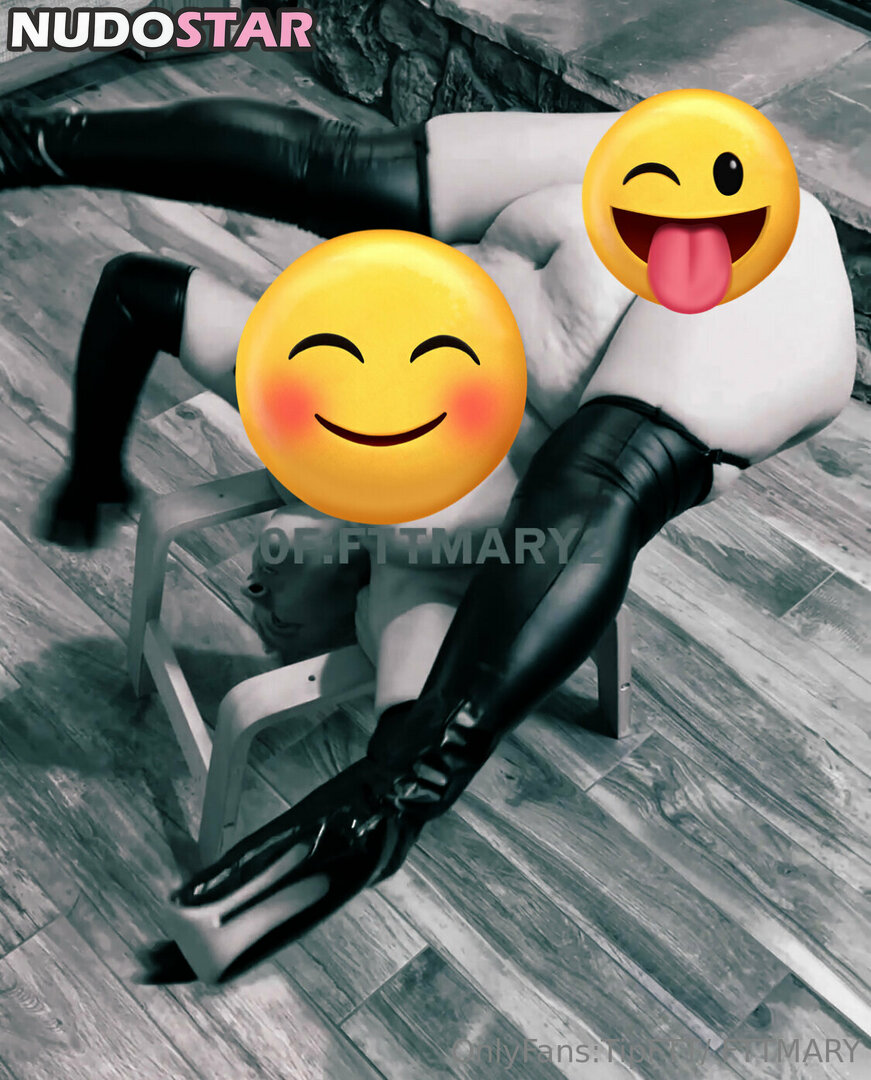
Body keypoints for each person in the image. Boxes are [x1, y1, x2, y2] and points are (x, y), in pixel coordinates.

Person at [0, 96, 855, 981]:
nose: (256, 593)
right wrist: (394, 789)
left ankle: (28, 138)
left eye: (253, 593)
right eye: (276, 609)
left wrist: (95, 468)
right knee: (602, 469)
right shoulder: (424, 569)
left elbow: (137, 291)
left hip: (611, 243)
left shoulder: (308, 425)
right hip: (764, 301)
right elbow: (547, 541)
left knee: (337, 171)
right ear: (362, 604)